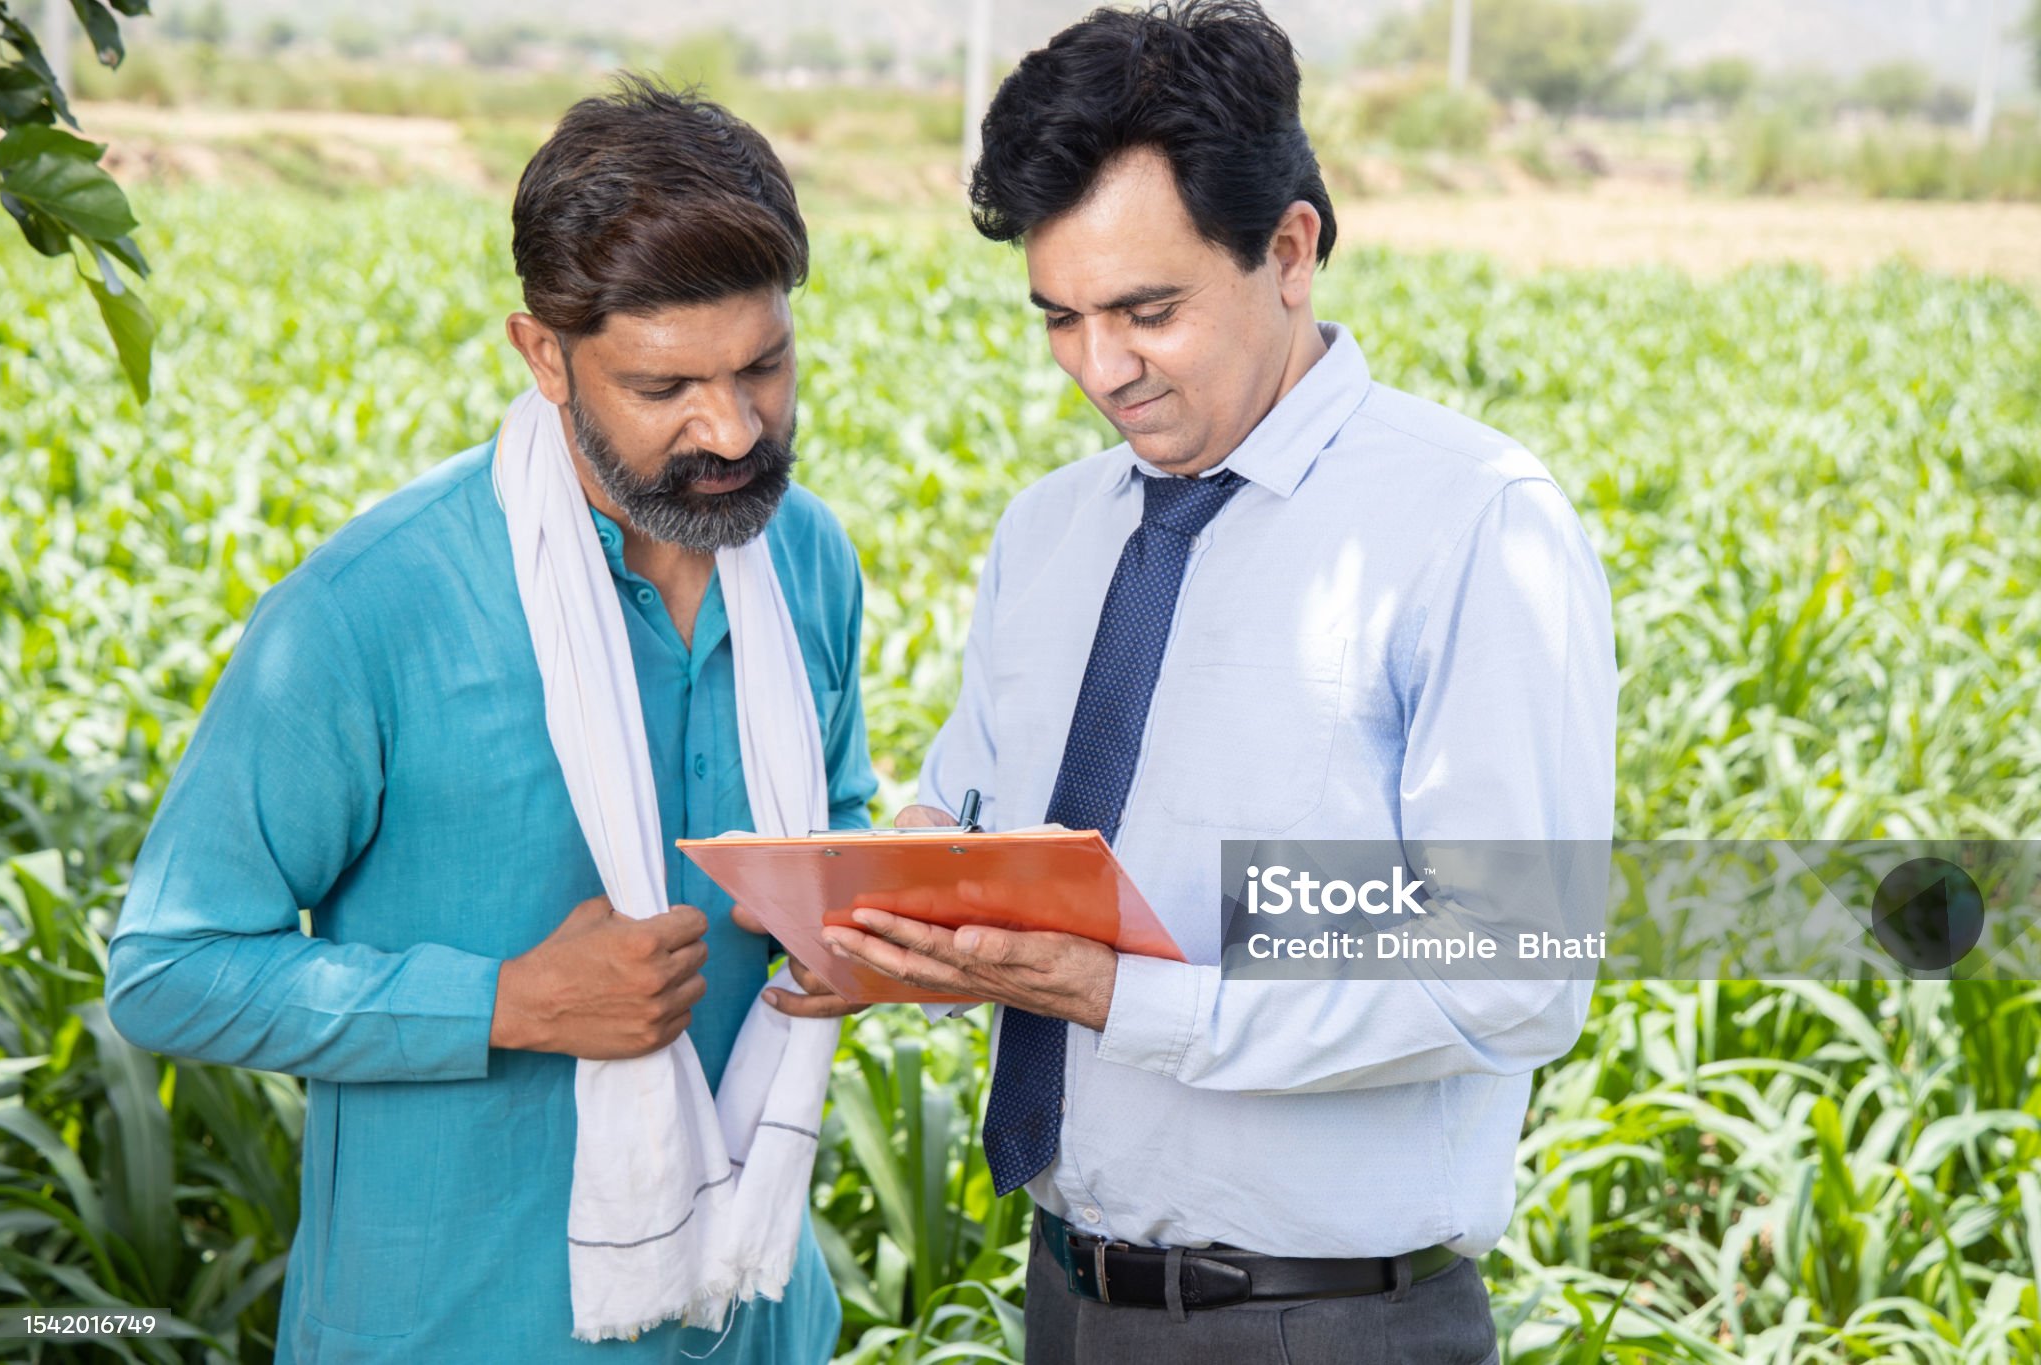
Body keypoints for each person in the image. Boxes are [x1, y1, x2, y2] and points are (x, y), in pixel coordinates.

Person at [821, 4, 1617, 1361]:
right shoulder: (1052, 531)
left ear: (1291, 249)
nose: (1100, 368)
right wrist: (898, 916)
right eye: (1060, 318)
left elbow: (1512, 959)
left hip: (1327, 1319)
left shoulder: (1471, 524)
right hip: (1067, 1300)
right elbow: (968, 818)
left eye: (1148, 310)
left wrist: (1125, 992)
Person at [105, 79, 870, 1364]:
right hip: (449, 1330)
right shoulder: (367, 610)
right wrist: (506, 1001)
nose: (731, 429)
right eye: (664, 384)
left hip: (752, 1322)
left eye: (763, 366)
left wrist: (857, 916)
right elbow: (167, 972)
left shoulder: (805, 562)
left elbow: (833, 825)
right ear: (541, 356)